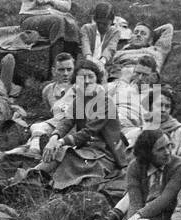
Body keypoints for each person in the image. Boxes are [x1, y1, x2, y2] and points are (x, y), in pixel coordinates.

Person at [23, 60, 129, 190]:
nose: (87, 81)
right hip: (87, 149)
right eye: (82, 78)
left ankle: (32, 182)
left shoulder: (106, 102)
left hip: (105, 152)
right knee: (59, 152)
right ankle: (26, 180)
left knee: (64, 153)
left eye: (91, 76)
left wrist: (61, 142)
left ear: (97, 79)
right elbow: (67, 122)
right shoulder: (79, 100)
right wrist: (54, 137)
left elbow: (88, 132)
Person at [90, 129, 181, 220]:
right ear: (148, 153)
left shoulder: (180, 166)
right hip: (142, 213)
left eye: (169, 145)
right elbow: (135, 200)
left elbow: (165, 199)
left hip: (166, 216)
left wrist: (138, 216)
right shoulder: (135, 166)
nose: (167, 152)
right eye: (160, 149)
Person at [109, 22, 175, 80]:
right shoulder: (118, 52)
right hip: (120, 78)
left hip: (146, 79)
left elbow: (168, 27)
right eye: (135, 32)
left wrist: (152, 35)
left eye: (143, 33)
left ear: (150, 40)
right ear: (130, 37)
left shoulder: (157, 50)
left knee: (156, 89)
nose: (138, 35)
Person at [79, 2, 121, 73]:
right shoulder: (86, 28)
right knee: (80, 78)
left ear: (111, 21)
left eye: (105, 24)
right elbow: (85, 45)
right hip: (86, 65)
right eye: (99, 23)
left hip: (105, 66)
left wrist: (102, 62)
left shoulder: (115, 32)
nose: (101, 26)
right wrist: (89, 59)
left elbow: (111, 48)